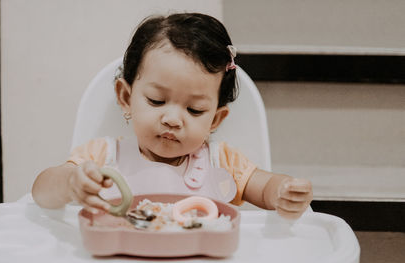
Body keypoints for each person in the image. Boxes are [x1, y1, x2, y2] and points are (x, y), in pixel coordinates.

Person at [32, 13, 312, 220]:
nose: (173, 119)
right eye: (156, 101)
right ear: (126, 98)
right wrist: (70, 183)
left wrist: (284, 193)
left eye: (194, 110)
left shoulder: (222, 163)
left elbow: (265, 189)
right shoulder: (103, 157)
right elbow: (42, 192)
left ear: (215, 120)